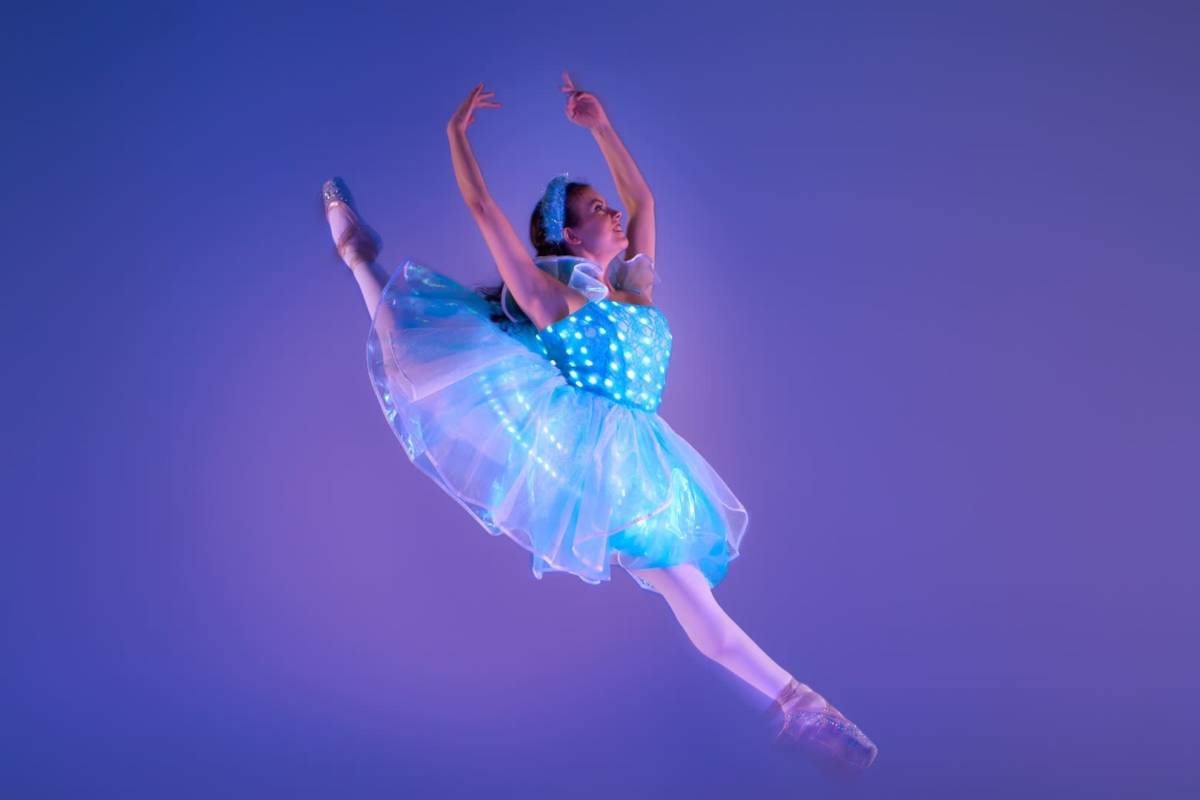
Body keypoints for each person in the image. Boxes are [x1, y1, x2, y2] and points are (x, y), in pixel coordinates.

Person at [320, 71, 878, 774]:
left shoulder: (634, 292)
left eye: (608, 207)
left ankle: (799, 706)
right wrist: (455, 134)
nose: (614, 215)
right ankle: (800, 705)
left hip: (646, 458)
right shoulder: (551, 300)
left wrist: (600, 127)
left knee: (690, 593)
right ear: (569, 233)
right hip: (596, 458)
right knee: (423, 351)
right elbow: (481, 204)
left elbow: (644, 200)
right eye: (596, 209)